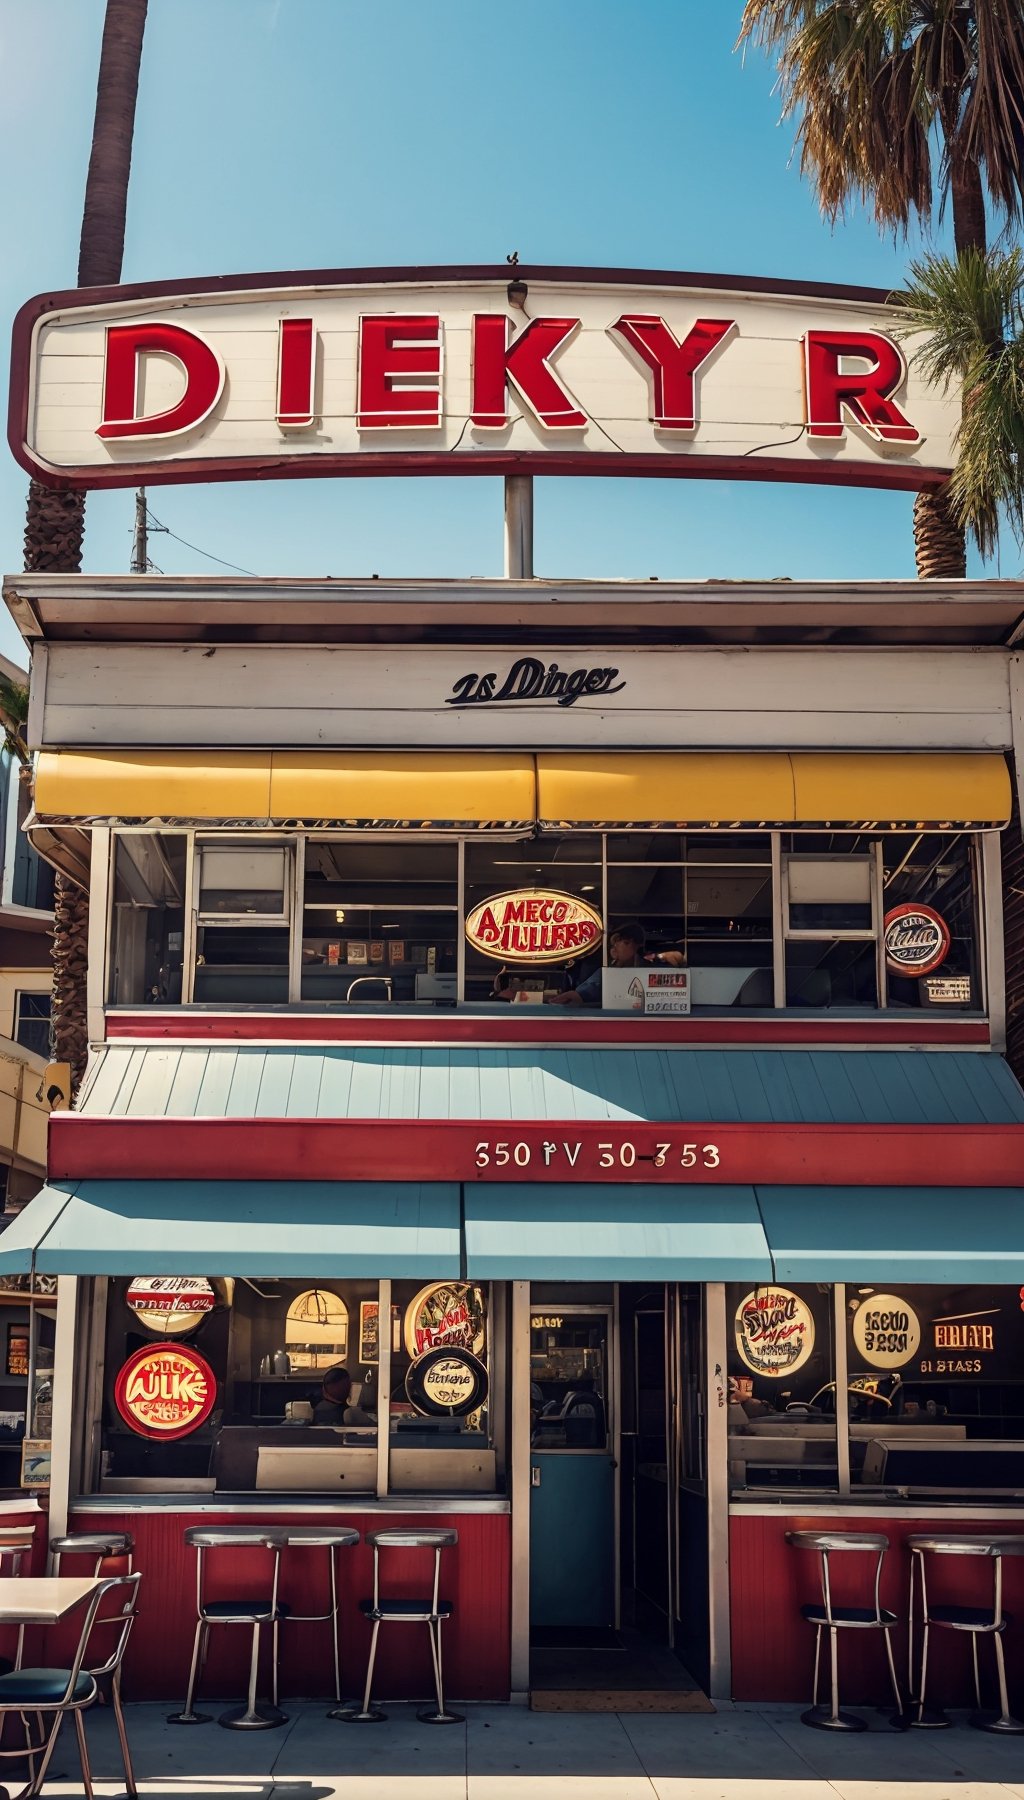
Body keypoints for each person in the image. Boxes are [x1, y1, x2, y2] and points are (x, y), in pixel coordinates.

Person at [548, 921, 682, 1006]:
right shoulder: (607, 972)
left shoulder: (649, 970)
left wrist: (674, 959)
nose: (616, 947)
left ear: (638, 947)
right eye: (615, 942)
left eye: (625, 943)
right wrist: (568, 997)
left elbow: (675, 985)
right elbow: (585, 992)